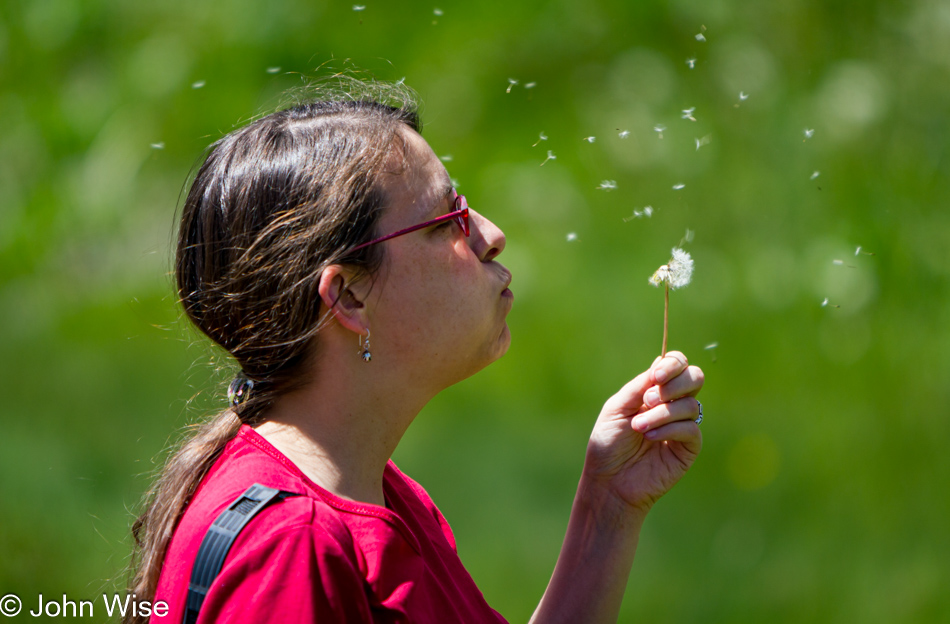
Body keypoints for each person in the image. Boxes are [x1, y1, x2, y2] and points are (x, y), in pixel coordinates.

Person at [126, 82, 704, 624]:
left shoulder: (378, 494)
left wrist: (610, 505)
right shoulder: (293, 549)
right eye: (446, 218)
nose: (490, 232)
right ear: (349, 295)